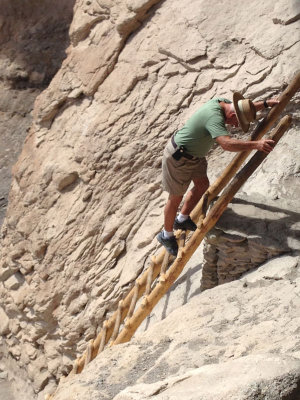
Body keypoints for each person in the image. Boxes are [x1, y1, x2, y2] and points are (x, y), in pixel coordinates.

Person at [157, 92, 279, 256]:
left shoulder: (225, 104)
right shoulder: (214, 117)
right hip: (179, 158)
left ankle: (182, 219)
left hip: (195, 156)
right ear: (233, 114)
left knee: (202, 185)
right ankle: (166, 235)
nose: (235, 126)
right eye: (237, 122)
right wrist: (256, 144)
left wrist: (265, 103)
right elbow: (226, 144)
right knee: (175, 197)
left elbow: (245, 107)